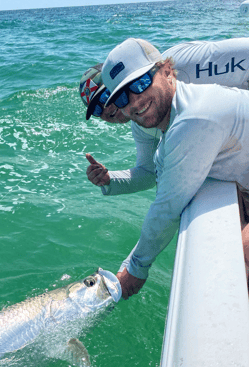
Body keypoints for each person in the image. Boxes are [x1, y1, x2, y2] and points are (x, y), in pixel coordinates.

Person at [97, 38, 249, 299]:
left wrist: (135, 270)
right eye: (122, 97)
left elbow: (167, 208)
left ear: (167, 70)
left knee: (237, 261)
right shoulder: (172, 121)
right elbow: (157, 184)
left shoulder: (192, 119)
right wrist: (109, 179)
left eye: (141, 83)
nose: (134, 101)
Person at [79, 38, 249, 195]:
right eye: (96, 110)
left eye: (105, 97)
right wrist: (110, 179)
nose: (106, 109)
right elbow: (149, 173)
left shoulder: (179, 64)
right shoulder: (142, 125)